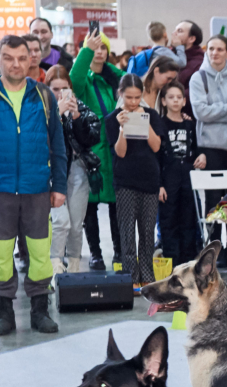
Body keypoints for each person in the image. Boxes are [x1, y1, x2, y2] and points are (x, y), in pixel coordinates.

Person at [0, 34, 68, 337]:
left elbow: (57, 145)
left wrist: (58, 185)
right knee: (0, 252)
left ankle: (39, 310)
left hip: (37, 189)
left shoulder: (44, 95)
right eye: (8, 58)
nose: (16, 64)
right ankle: (4, 312)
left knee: (38, 251)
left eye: (22, 58)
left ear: (30, 59)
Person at [189, 34, 227, 268]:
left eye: (220, 49)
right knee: (213, 203)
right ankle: (212, 253)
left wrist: (221, 110)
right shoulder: (198, 78)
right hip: (210, 148)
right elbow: (200, 113)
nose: (215, 53)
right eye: (211, 49)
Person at [70, 30, 125, 271]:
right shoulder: (85, 81)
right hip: (90, 150)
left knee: (117, 207)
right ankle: (95, 254)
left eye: (103, 47)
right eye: (95, 48)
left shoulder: (116, 79)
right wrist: (86, 50)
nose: (99, 51)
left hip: (116, 149)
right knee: (90, 207)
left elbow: (132, 87)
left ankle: (120, 253)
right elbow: (75, 78)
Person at [104, 73, 164, 287]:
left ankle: (147, 275)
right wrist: (122, 128)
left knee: (147, 231)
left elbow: (157, 146)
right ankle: (131, 276)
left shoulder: (152, 115)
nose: (132, 102)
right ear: (120, 95)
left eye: (137, 97)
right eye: (129, 97)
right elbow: (120, 153)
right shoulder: (113, 118)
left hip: (149, 178)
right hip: (125, 180)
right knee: (127, 231)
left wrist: (143, 121)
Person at [45, 66, 101, 273]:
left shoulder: (82, 109)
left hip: (78, 169)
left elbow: (91, 139)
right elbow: (39, 139)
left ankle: (74, 266)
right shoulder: (41, 110)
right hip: (51, 172)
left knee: (76, 225)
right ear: (47, 89)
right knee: (60, 222)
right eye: (55, 88)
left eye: (64, 88)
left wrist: (76, 117)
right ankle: (55, 265)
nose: (60, 93)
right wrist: (56, 113)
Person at [152, 80, 204, 268]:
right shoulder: (159, 124)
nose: (175, 101)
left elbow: (197, 149)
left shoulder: (190, 125)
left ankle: (189, 265)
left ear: (184, 101)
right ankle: (172, 264)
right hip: (168, 180)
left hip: (189, 181)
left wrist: (202, 156)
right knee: (168, 221)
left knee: (189, 220)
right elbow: (156, 157)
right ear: (164, 101)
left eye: (179, 97)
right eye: (171, 97)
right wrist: (159, 184)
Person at [171, 20, 205, 90]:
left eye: (179, 31)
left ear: (191, 39)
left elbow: (194, 91)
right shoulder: (169, 54)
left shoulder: (199, 63)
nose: (174, 34)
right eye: (175, 30)